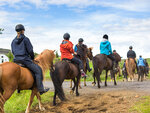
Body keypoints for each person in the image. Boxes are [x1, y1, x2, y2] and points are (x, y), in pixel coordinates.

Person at [11, 24, 49, 95]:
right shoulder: (26, 39)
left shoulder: (13, 41)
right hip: (25, 60)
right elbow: (30, 50)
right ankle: (41, 89)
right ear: (23, 31)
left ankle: (18, 89)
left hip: (15, 61)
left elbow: (13, 51)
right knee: (38, 70)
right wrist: (32, 58)